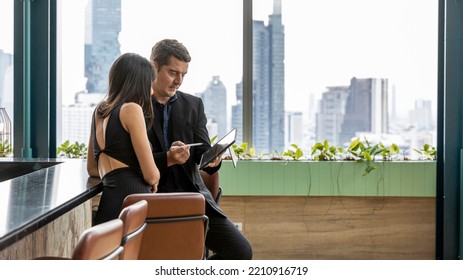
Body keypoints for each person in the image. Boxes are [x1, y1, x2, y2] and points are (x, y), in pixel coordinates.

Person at [148, 39, 253, 260]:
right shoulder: (136, 107)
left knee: (241, 251)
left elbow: (202, 152)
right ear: (154, 66)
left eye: (184, 74)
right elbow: (135, 161)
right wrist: (167, 158)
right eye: (173, 73)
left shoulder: (193, 105)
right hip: (153, 197)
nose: (179, 81)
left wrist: (212, 161)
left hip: (194, 198)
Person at [87, 52, 160, 225]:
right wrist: (155, 177)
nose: (151, 90)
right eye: (149, 83)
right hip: (134, 203)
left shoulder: (99, 111)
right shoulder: (132, 109)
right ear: (139, 83)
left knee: (109, 252)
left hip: (110, 204)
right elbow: (151, 175)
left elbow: (92, 168)